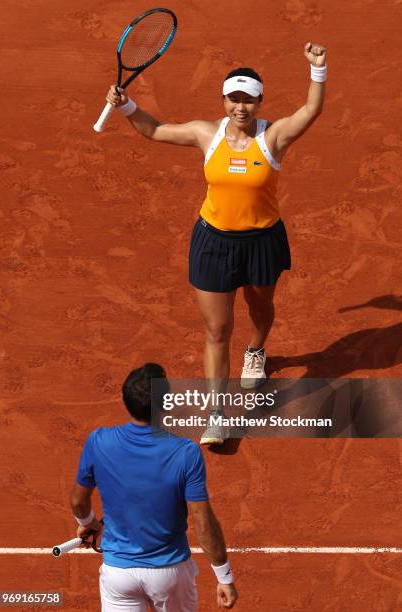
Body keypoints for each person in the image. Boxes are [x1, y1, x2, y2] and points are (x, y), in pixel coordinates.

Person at [105, 42, 327, 445]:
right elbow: (154, 130)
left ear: (260, 102)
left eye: (248, 100)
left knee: (260, 309)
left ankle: (256, 352)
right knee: (216, 329)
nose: (240, 108)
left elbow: (311, 111)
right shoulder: (205, 134)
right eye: (233, 99)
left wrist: (318, 69)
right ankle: (217, 415)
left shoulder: (273, 137)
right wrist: (125, 106)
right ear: (223, 99)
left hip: (261, 241)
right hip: (213, 243)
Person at [70, 363, 238, 611]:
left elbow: (78, 501)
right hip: (169, 574)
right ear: (165, 402)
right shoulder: (185, 453)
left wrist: (88, 522)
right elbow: (202, 521)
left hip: (119, 575)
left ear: (125, 400)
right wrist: (224, 577)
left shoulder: (98, 441)